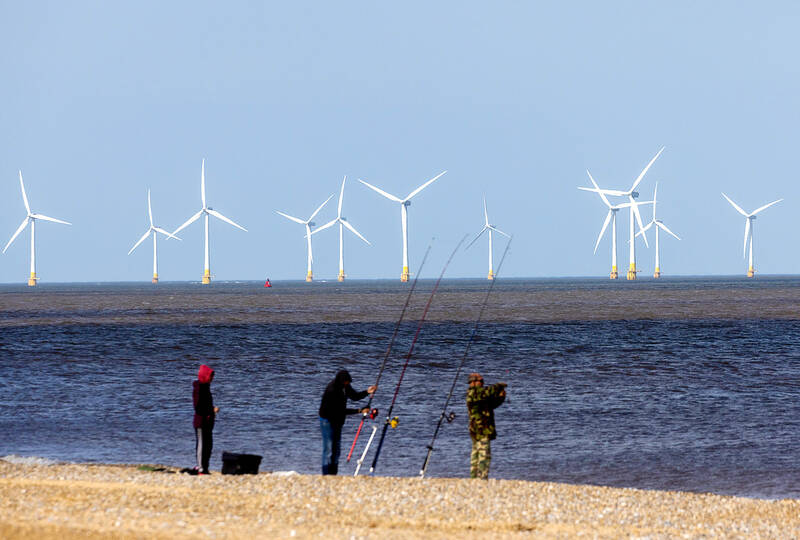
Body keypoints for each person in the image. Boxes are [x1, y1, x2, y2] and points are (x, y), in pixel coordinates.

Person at [318, 369, 376, 475]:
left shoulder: (345, 387)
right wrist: (359, 411)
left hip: (338, 421)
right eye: (346, 383)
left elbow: (354, 396)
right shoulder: (332, 390)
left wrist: (367, 392)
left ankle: (333, 474)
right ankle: (326, 475)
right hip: (327, 420)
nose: (347, 384)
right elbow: (339, 411)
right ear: (341, 381)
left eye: (348, 383)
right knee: (329, 449)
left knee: (337, 450)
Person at [466, 372, 506, 479]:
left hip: (480, 429)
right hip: (480, 429)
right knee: (483, 454)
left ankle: (474, 478)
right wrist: (498, 386)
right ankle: (481, 477)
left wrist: (501, 398)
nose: (483, 383)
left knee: (476, 454)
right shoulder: (473, 393)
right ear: (473, 382)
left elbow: (491, 405)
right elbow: (486, 392)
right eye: (481, 381)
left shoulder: (479, 396)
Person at [193, 364, 219, 475]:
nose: (212, 379)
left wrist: (211, 411)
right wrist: (211, 410)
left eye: (212, 377)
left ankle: (205, 467)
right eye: (211, 376)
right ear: (205, 376)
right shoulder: (199, 388)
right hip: (201, 422)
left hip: (208, 422)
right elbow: (198, 407)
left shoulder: (206, 387)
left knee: (208, 445)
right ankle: (200, 468)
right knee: (202, 445)